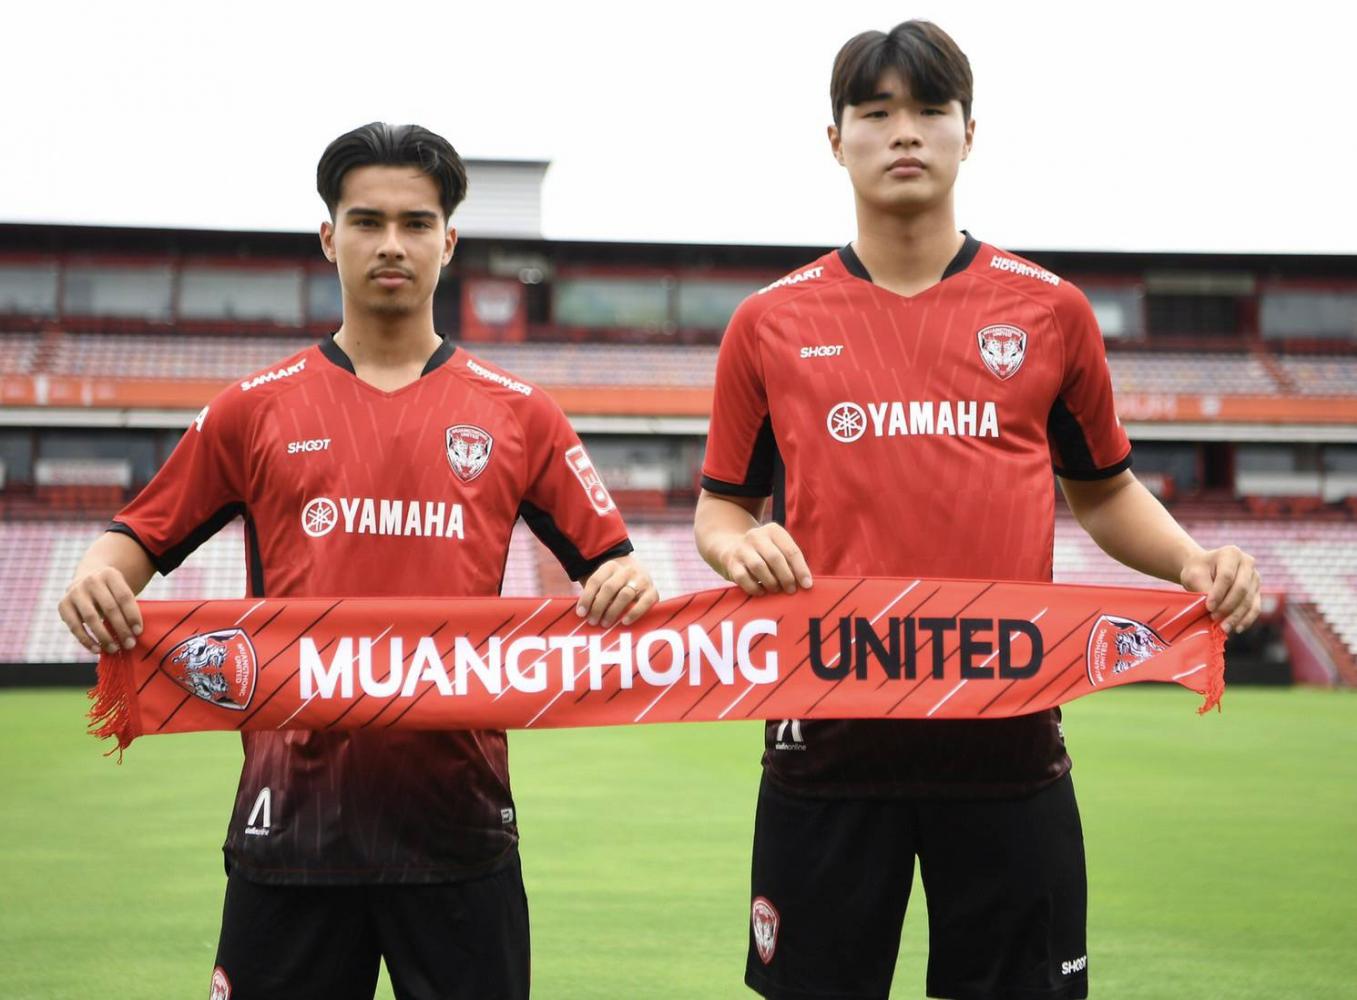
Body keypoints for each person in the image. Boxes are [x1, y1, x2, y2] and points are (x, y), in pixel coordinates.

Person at [694, 22, 1260, 1000]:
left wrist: (1191, 564)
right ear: (836, 141)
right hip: (826, 736)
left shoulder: (1048, 310)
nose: (902, 132)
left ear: (968, 132)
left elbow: (1105, 490)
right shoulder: (769, 321)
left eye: (928, 110)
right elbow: (720, 511)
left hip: (1005, 738)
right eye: (875, 113)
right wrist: (742, 546)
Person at [57, 122, 658, 1000]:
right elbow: (132, 543)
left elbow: (615, 564)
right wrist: (94, 577)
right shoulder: (251, 410)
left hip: (458, 829)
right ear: (328, 235)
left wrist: (624, 579)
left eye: (416, 223)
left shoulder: (521, 415)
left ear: (448, 242)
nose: (391, 244)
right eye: (367, 220)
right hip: (290, 829)